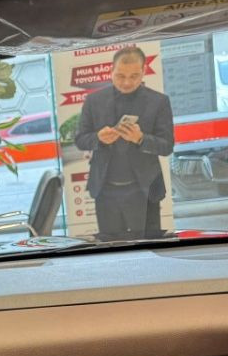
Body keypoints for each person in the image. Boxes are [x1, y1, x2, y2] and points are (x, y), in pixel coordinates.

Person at [74, 45, 175, 241]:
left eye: (134, 76)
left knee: (148, 249)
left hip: (144, 190)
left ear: (143, 72)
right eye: (120, 76)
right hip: (105, 191)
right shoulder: (94, 100)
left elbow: (167, 146)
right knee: (111, 249)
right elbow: (80, 140)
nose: (127, 82)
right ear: (111, 71)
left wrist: (141, 139)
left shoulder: (159, 102)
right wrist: (98, 138)